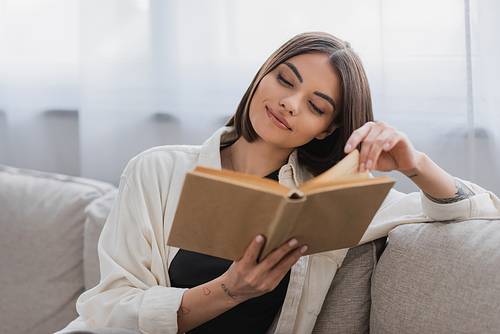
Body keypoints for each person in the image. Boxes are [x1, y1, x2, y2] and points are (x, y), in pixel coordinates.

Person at [59, 32, 500, 334]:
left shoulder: (328, 202)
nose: (289, 104)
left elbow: (476, 210)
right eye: (284, 80)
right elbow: (108, 310)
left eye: (316, 105)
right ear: (262, 76)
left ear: (328, 129)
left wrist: (412, 162)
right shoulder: (156, 171)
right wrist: (229, 291)